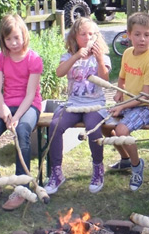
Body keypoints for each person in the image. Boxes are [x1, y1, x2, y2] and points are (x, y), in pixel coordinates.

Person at [0, 14, 43, 210]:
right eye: (8, 39)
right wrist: (3, 107)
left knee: (22, 131)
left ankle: (21, 188)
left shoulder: (34, 59)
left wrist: (16, 118)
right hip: (6, 105)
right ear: (3, 39)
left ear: (24, 35)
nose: (13, 43)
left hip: (29, 106)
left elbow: (30, 94)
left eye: (16, 38)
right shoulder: (1, 58)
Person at [45, 17, 111, 194]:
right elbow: (59, 73)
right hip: (73, 103)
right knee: (55, 126)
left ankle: (98, 168)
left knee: (92, 127)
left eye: (92, 34)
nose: (88, 38)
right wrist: (75, 56)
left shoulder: (102, 56)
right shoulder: (68, 56)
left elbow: (105, 80)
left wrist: (98, 60)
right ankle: (56, 172)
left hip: (95, 104)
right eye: (83, 34)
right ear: (75, 36)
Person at [105, 12, 149, 191]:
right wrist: (118, 93)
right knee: (104, 125)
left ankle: (137, 166)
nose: (142, 39)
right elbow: (122, 79)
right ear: (128, 35)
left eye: (147, 34)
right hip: (129, 103)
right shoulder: (128, 53)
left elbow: (144, 97)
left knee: (121, 129)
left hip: (146, 107)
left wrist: (122, 105)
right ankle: (125, 160)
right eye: (137, 34)